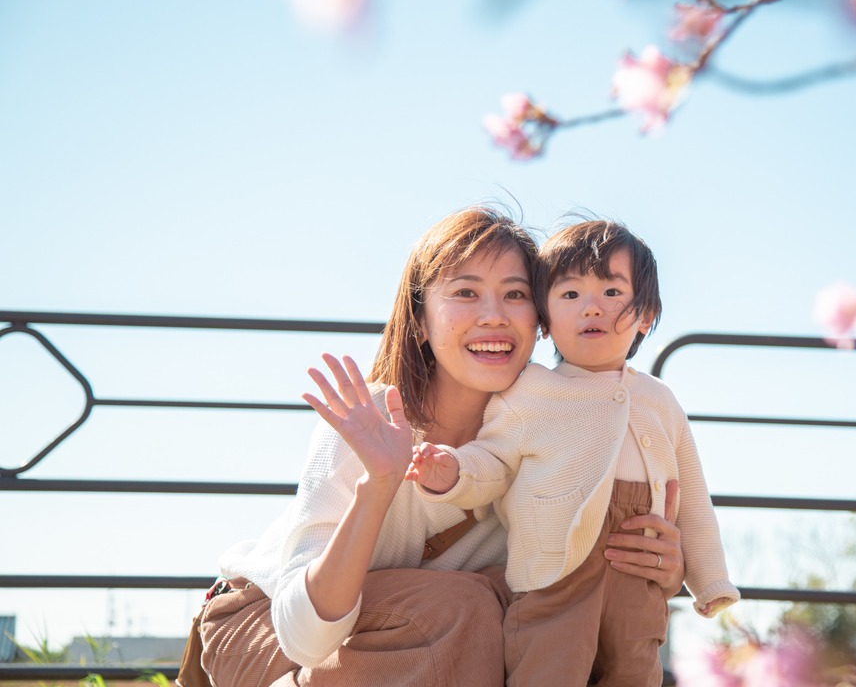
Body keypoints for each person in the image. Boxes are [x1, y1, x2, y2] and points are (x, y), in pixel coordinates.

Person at [189, 207, 687, 687]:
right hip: (270, 628)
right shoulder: (374, 419)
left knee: (533, 617)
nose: (493, 315)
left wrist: (660, 567)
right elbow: (306, 637)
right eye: (466, 292)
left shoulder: (554, 447)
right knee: (470, 606)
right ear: (422, 321)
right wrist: (378, 485)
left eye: (515, 294)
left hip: (431, 639)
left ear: (541, 320)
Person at [406, 219, 739, 686]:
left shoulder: (661, 401)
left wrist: (711, 581)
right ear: (545, 319)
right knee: (548, 669)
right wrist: (453, 470)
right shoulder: (530, 392)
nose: (591, 309)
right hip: (553, 581)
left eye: (611, 293)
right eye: (570, 295)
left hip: (637, 581)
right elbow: (494, 460)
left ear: (645, 315)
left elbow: (694, 502)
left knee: (635, 670)